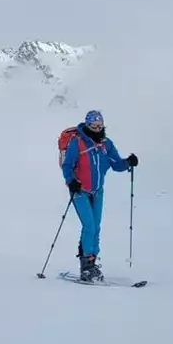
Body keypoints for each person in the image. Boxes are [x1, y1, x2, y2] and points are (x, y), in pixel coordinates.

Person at [60, 110, 138, 281]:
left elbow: (116, 164)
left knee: (96, 226)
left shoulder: (106, 144)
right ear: (87, 125)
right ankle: (86, 266)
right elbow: (67, 165)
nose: (96, 129)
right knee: (89, 226)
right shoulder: (77, 143)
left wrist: (128, 162)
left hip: (98, 191)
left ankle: (92, 262)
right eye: (93, 126)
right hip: (80, 191)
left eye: (99, 126)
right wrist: (71, 181)